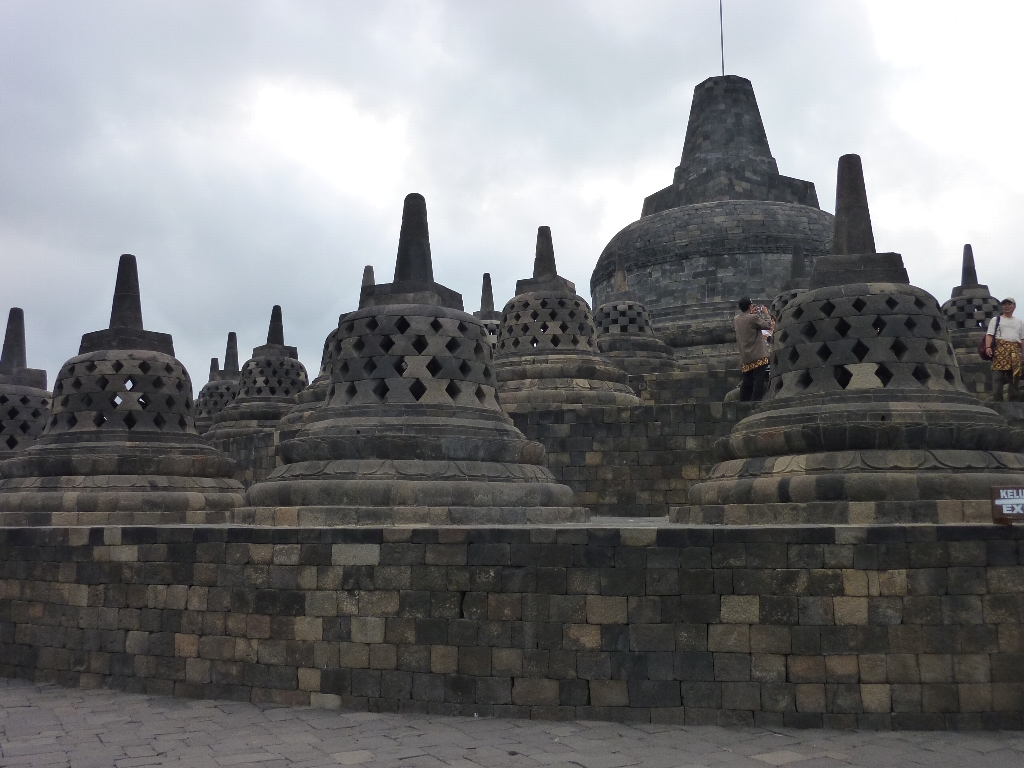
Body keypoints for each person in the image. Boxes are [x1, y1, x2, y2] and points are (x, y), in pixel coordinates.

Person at [734, 297, 774, 402]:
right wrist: (766, 313)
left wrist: (752, 314)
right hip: (758, 354)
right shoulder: (753, 318)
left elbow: (748, 324)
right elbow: (768, 325)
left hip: (746, 356)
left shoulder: (736, 319)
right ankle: (755, 400)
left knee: (747, 381)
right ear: (750, 306)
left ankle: (743, 401)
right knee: (758, 378)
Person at [985, 297, 1024, 402]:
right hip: (1000, 350)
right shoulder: (996, 320)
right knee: (998, 377)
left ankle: (1013, 400)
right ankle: (997, 400)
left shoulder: (1019, 322)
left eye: (1009, 304)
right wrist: (988, 347)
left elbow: (1022, 339)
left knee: (1015, 376)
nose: (1006, 306)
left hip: (1014, 351)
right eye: (1004, 305)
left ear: (1014, 306)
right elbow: (989, 335)